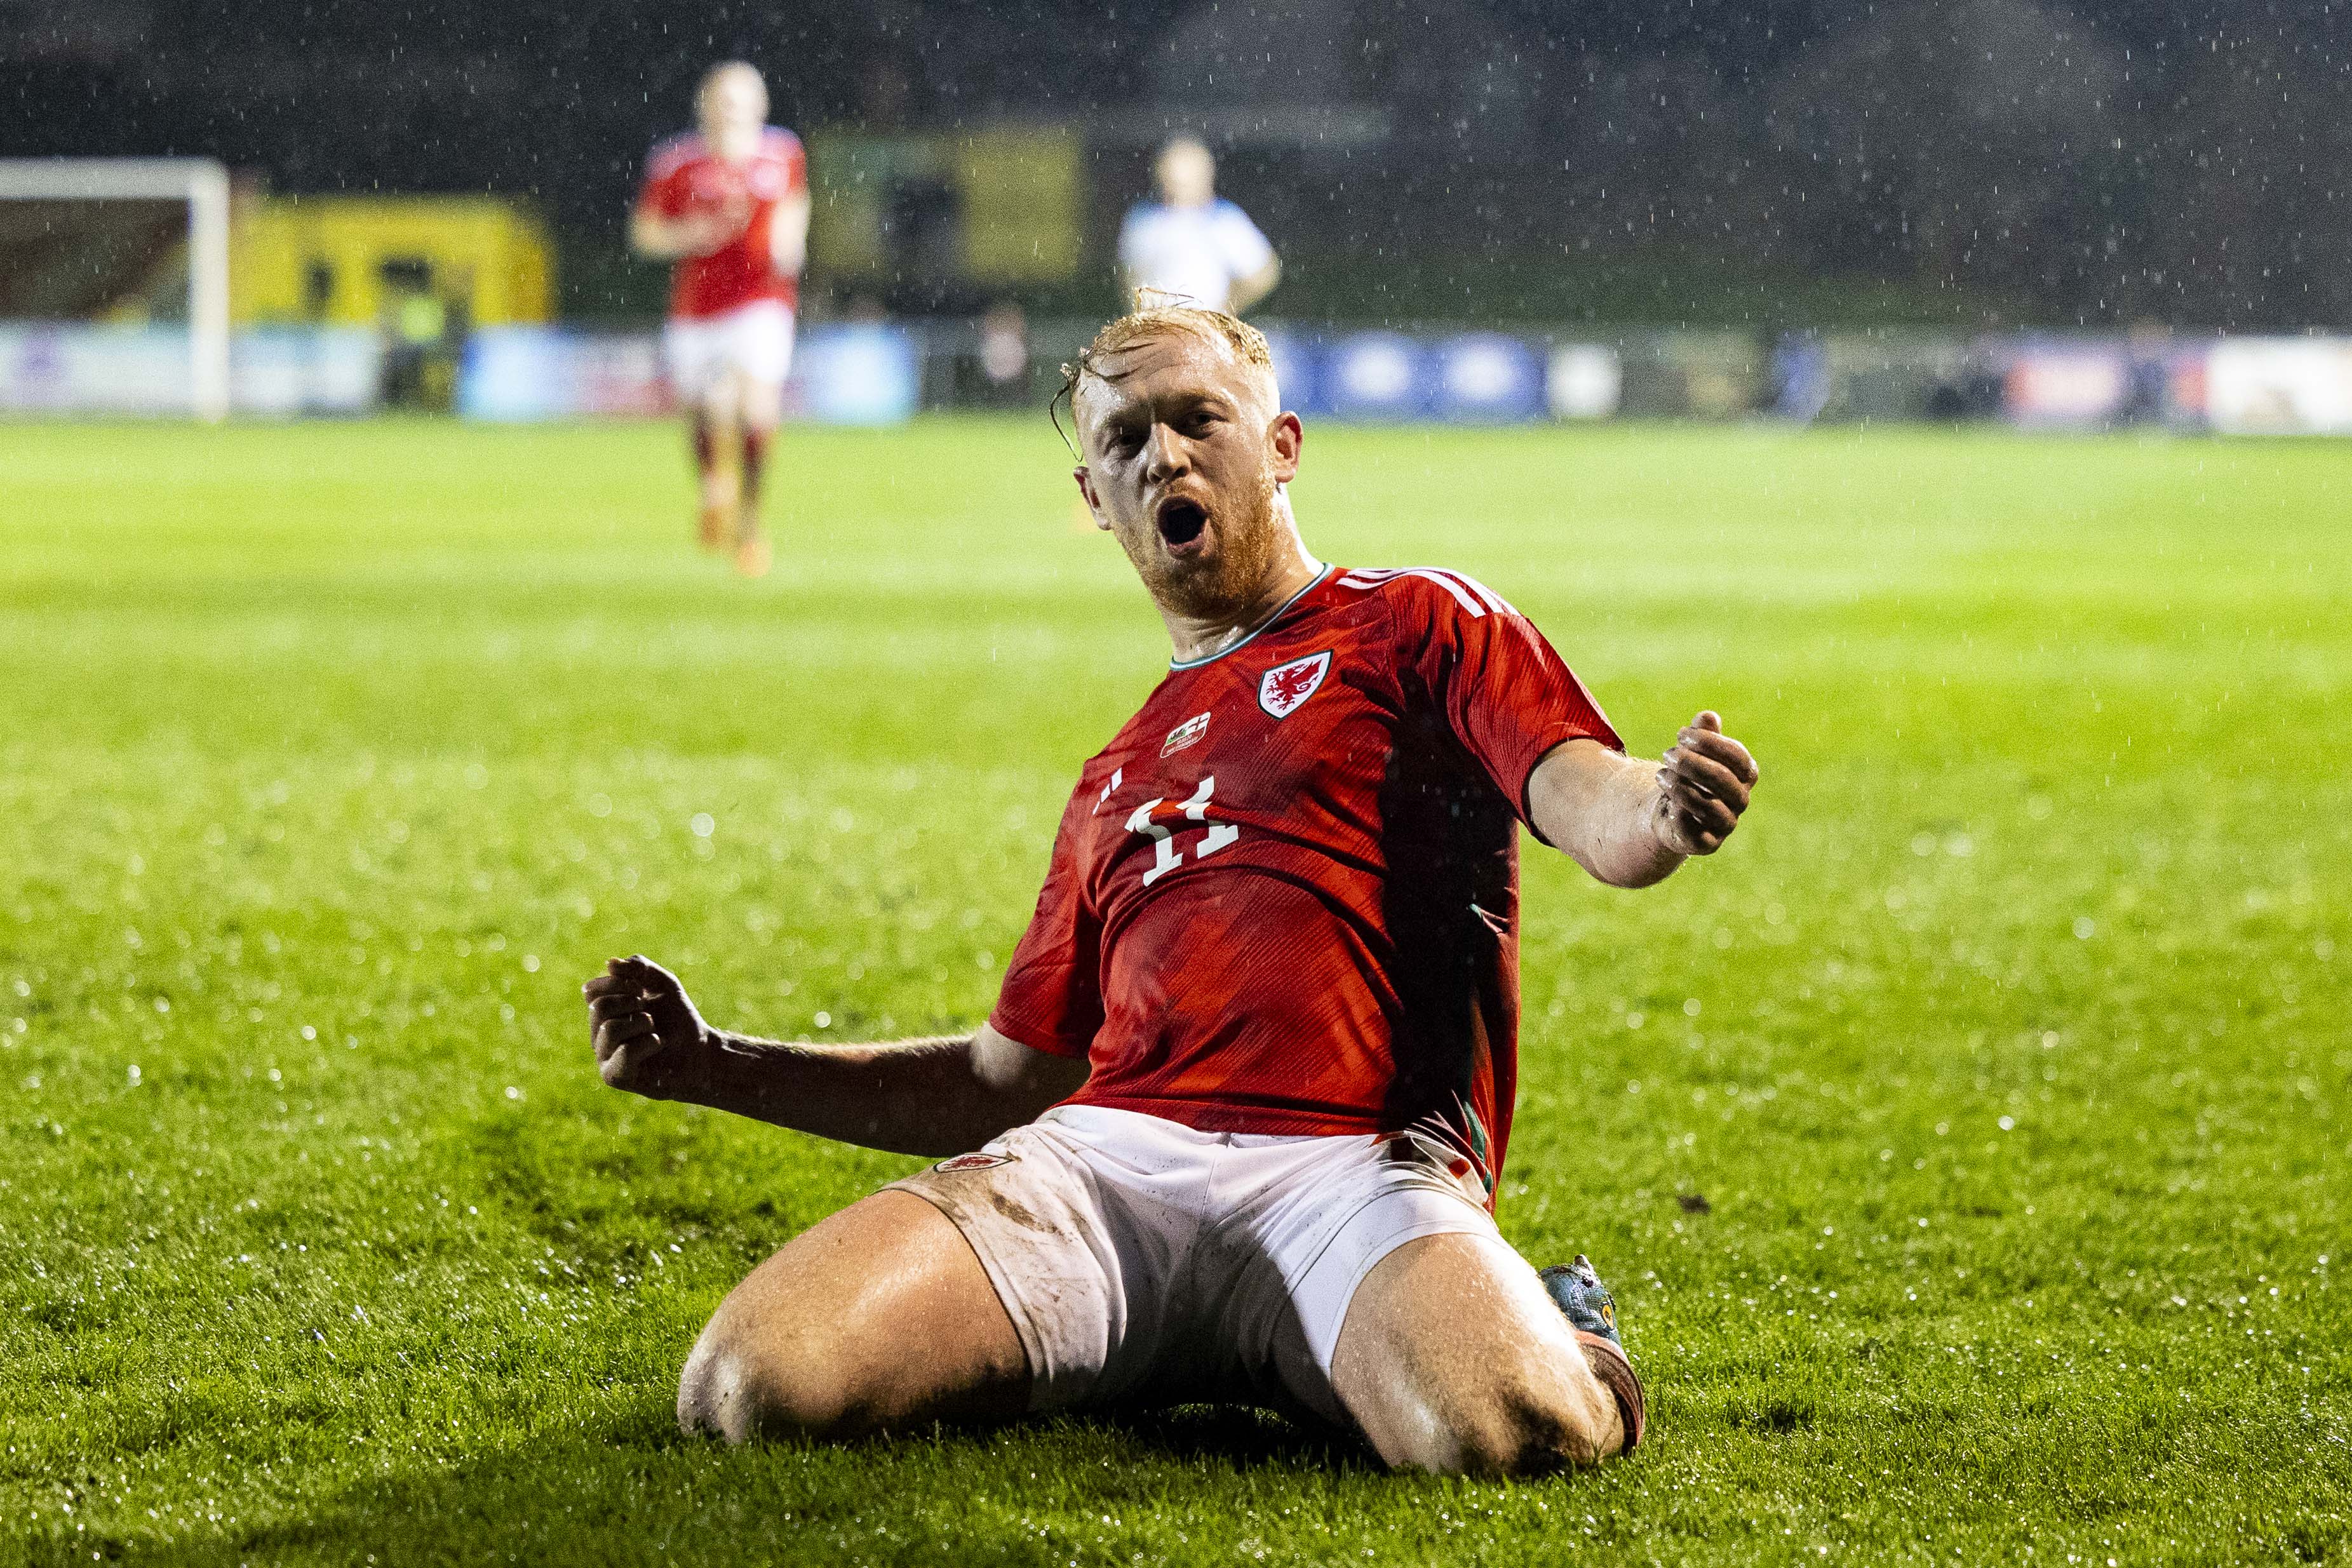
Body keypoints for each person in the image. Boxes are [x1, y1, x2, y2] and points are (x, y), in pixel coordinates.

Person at [581, 300, 1761, 1474]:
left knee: (1499, 1430)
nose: (1165, 454)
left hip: (1347, 1170)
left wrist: (1658, 810)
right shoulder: (1113, 774)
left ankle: (1569, 1331)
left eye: (1198, 417)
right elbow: (1009, 1078)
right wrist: (713, 1065)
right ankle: (1154, 1338)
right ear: (1096, 500)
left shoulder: (1417, 623)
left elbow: (1590, 805)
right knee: (753, 1386)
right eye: (1127, 439)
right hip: (1108, 1169)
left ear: (1282, 443)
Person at [631, 61, 810, 578]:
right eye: (723, 100)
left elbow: (796, 204)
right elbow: (645, 234)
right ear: (704, 106)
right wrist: (692, 236)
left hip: (761, 302)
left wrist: (790, 240)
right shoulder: (675, 162)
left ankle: (751, 525)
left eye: (743, 100)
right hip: (696, 311)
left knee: (754, 412)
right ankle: (715, 488)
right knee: (705, 414)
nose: (733, 111)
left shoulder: (782, 153)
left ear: (761, 107)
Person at [1118, 136, 1281, 316]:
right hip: (1155, 329)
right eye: (1171, 181)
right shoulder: (1143, 220)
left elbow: (1263, 273)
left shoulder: (1224, 219)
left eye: (1184, 182)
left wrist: (1221, 313)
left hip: (1203, 332)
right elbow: (1129, 272)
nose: (1175, 190)